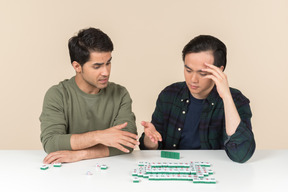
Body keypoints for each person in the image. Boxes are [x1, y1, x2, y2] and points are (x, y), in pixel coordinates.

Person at [139, 35, 255, 163]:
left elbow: (241, 155)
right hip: (174, 168)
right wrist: (150, 140)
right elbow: (151, 150)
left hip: (216, 173)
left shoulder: (237, 100)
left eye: (202, 73)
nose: (193, 79)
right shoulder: (169, 95)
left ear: (219, 71)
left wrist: (226, 97)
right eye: (188, 70)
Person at [40, 28, 139, 164]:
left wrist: (81, 154)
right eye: (97, 66)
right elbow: (51, 143)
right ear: (77, 66)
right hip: (65, 174)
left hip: (112, 172)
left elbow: (127, 143)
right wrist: (99, 136)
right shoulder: (58, 95)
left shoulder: (120, 94)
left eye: (108, 63)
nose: (105, 72)